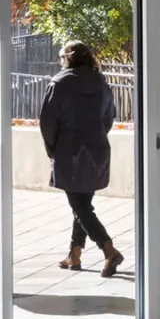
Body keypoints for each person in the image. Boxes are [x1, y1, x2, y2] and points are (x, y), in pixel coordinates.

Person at [39, 42, 124, 277]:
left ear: (67, 58)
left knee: (80, 205)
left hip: (69, 150)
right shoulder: (101, 83)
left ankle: (109, 249)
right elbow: (108, 117)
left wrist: (52, 148)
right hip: (97, 151)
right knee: (83, 204)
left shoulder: (59, 83)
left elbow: (48, 122)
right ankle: (74, 254)